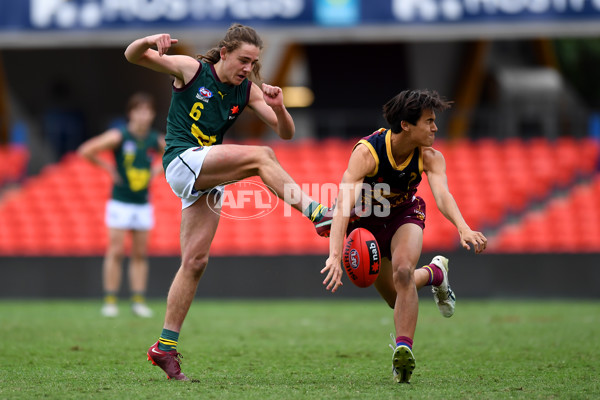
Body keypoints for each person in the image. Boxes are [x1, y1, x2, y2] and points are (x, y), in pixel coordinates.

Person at [125, 24, 335, 381]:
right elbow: (133, 55)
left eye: (254, 63)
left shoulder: (247, 90)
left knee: (195, 261)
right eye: (243, 60)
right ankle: (317, 213)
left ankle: (164, 346)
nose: (248, 69)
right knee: (262, 156)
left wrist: (280, 108)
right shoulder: (193, 70)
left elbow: (286, 132)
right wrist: (149, 40)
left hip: (206, 169)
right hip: (182, 160)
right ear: (224, 53)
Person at [320, 89, 487, 384]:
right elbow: (343, 206)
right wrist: (334, 254)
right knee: (396, 297)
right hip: (366, 227)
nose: (435, 127)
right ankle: (436, 273)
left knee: (403, 272)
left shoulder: (430, 157)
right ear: (406, 125)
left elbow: (443, 195)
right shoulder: (367, 153)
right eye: (429, 121)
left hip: (403, 217)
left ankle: (403, 354)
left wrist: (463, 227)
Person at [78, 92, 166, 318]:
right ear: (131, 113)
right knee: (115, 251)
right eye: (139, 110)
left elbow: (173, 155)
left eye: (147, 111)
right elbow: (87, 150)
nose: (143, 115)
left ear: (152, 114)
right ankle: (110, 299)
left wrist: (155, 171)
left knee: (139, 254)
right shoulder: (119, 136)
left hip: (142, 203)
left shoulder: (154, 139)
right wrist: (108, 168)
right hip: (120, 201)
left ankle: (138, 300)